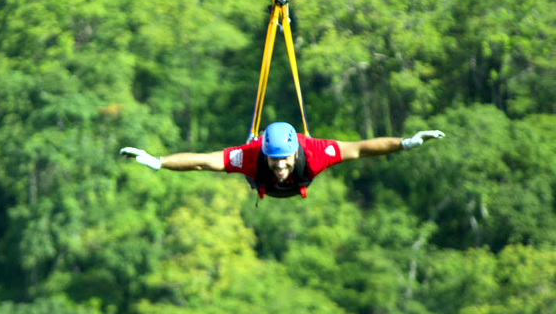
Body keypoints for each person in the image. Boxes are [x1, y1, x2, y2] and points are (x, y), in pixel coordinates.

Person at [119, 121, 445, 199]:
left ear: (295, 154)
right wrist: (157, 162)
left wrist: (405, 143)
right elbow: (203, 161)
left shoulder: (316, 153)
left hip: (298, 183)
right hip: (258, 181)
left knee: (341, 153)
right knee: (239, 164)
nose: (280, 166)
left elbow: (361, 148)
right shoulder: (251, 158)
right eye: (274, 160)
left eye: (284, 160)